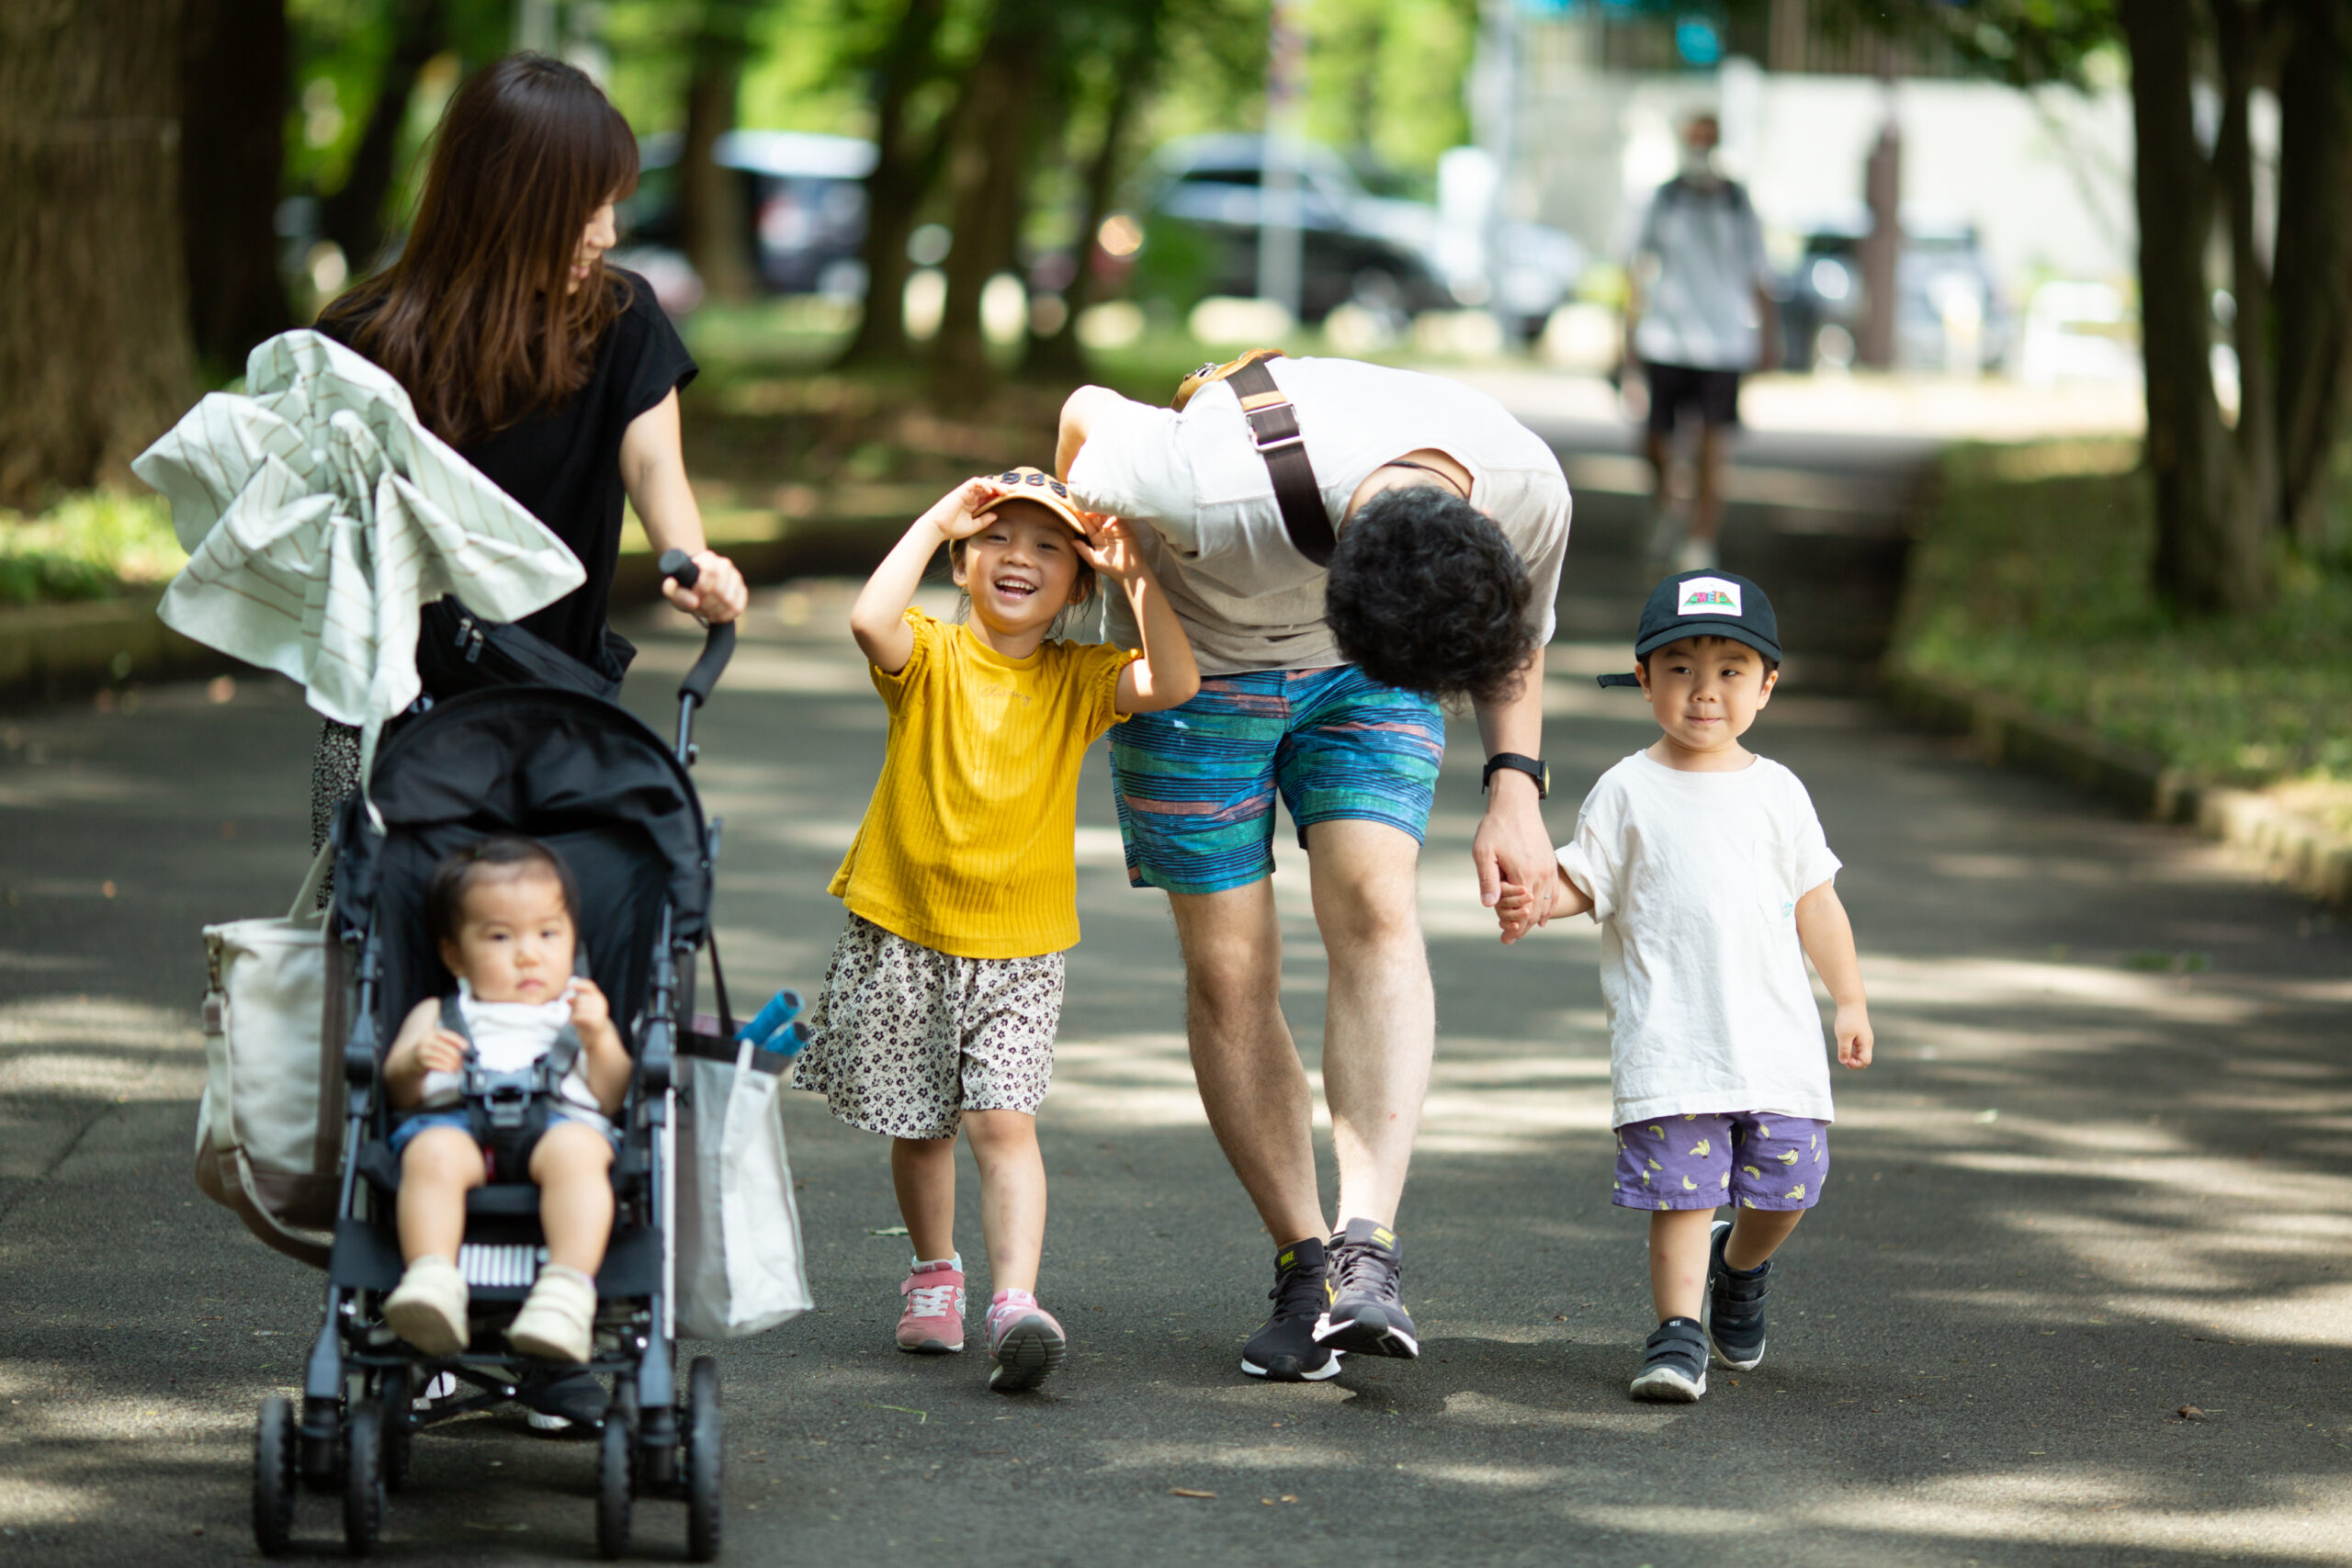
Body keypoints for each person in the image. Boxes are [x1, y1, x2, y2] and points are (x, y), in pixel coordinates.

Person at [1054, 355, 1570, 1382]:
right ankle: (1301, 1261)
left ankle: (1364, 1249)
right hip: (1194, 672)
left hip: (1361, 684)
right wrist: (1113, 577)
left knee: (1378, 904)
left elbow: (1517, 637)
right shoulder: (1196, 476)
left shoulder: (1525, 486)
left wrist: (1514, 784)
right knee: (1232, 964)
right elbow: (1083, 414)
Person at [793, 468, 1198, 1393]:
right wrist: (935, 519)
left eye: (1050, 547)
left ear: (1077, 583)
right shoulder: (928, 655)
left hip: (1021, 948)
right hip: (905, 933)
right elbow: (867, 621)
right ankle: (934, 1269)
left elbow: (1174, 680)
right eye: (996, 540)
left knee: (1002, 1123)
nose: (1020, 559)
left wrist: (1135, 571)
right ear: (963, 563)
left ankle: (1014, 1300)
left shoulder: (1079, 678)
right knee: (921, 1124)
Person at [308, 52, 748, 857]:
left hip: (554, 711)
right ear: (509, 201)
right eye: (585, 209)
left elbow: (655, 468)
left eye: (612, 206)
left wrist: (694, 561)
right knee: (368, 954)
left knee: (542, 957)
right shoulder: (362, 340)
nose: (608, 234)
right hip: (385, 719)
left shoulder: (623, 320)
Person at [1495, 570, 1873, 1402]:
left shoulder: (1778, 793)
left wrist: (1848, 997)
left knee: (1789, 1184)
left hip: (1774, 1044)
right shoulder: (1628, 789)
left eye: (1731, 670)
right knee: (1682, 1193)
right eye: (1680, 669)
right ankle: (1676, 1334)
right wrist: (1536, 898)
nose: (1705, 692)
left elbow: (1819, 903)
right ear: (1643, 678)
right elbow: (1584, 880)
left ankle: (1740, 1264)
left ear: (1767, 685)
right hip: (1673, 1040)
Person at [379, 838, 629, 1366]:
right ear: (454, 954)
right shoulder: (440, 1011)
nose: (527, 953)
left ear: (572, 942)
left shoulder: (577, 1011)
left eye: (548, 933)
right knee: (431, 1154)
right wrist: (414, 1061)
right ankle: (432, 1279)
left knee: (581, 1153)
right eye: (499, 936)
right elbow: (397, 1091)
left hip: (556, 1131)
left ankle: (565, 1294)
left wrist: (600, 1037)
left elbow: (610, 1097)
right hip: (459, 1130)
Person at [1626, 112, 1777, 572]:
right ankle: (1672, 508)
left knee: (1714, 444)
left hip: (1724, 344)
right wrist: (1627, 334)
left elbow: (1759, 274)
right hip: (1666, 337)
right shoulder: (1665, 200)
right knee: (1654, 439)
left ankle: (1700, 538)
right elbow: (1637, 269)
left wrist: (1770, 336)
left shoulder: (1736, 203)